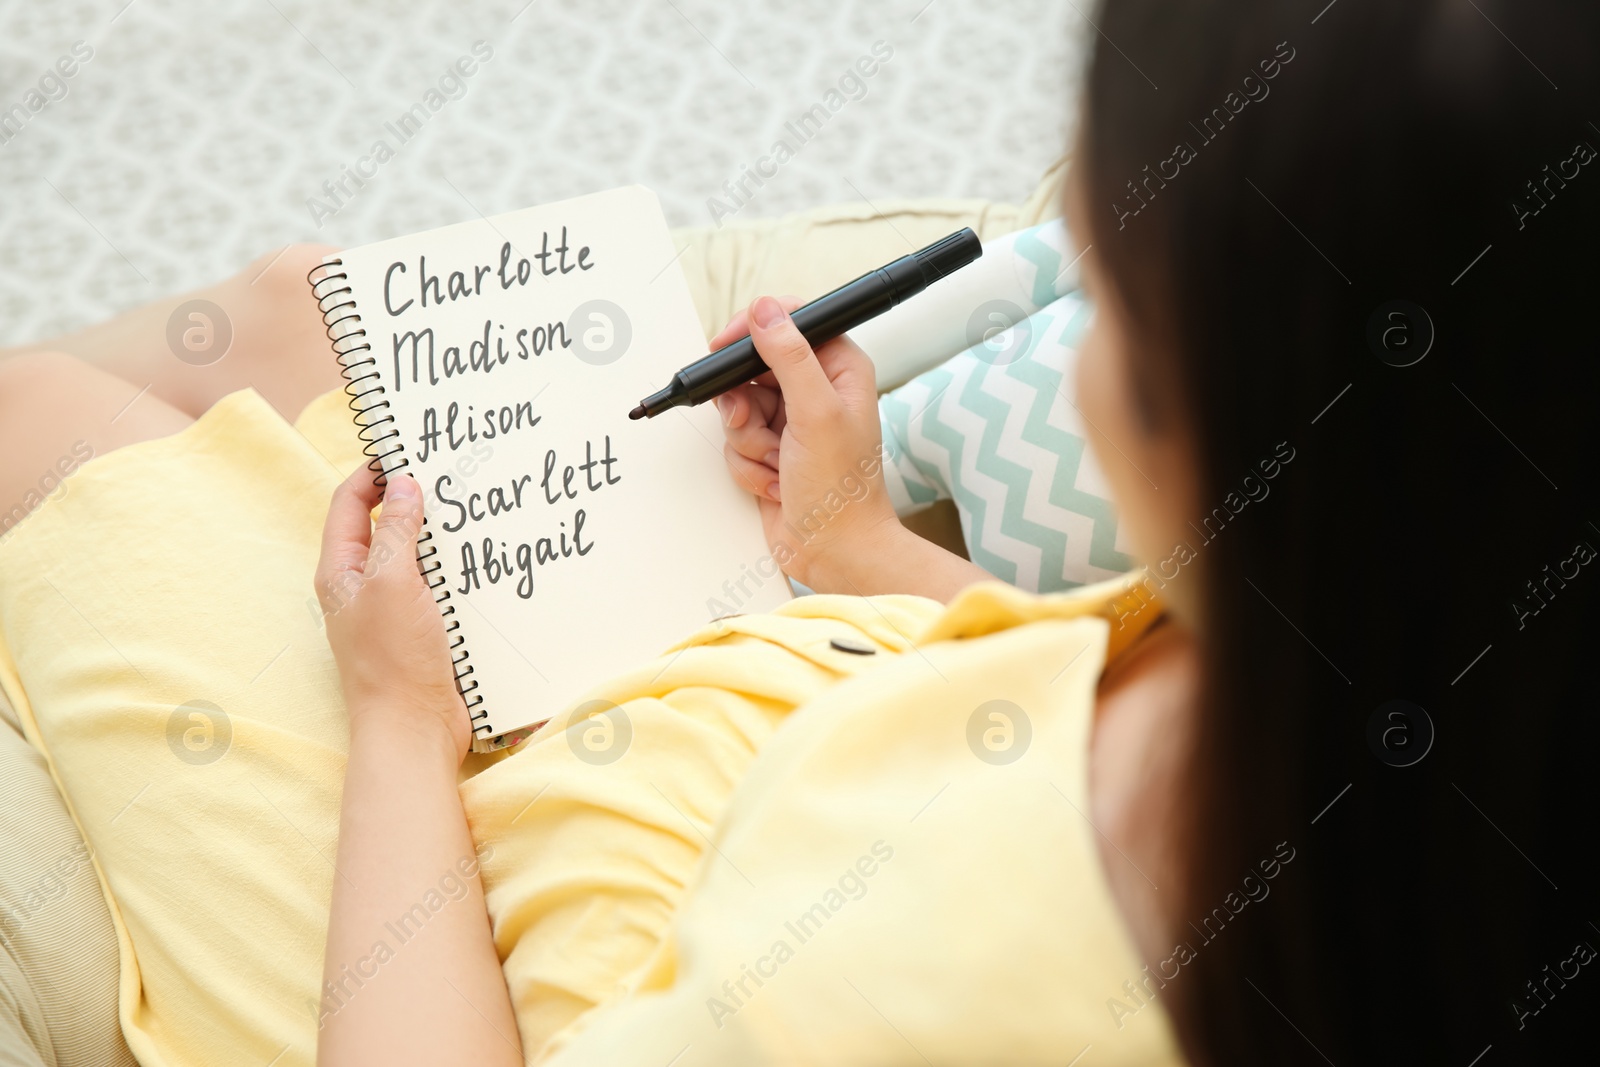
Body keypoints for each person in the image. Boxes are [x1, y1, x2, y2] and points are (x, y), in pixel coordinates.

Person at [2, 1, 1595, 1065]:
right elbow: (1122, 673)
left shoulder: (904, 974)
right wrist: (857, 550)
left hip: (495, 958)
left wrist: (403, 726)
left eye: (1104, 299)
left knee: (48, 419)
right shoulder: (1421, 670)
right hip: (756, 689)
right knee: (298, 305)